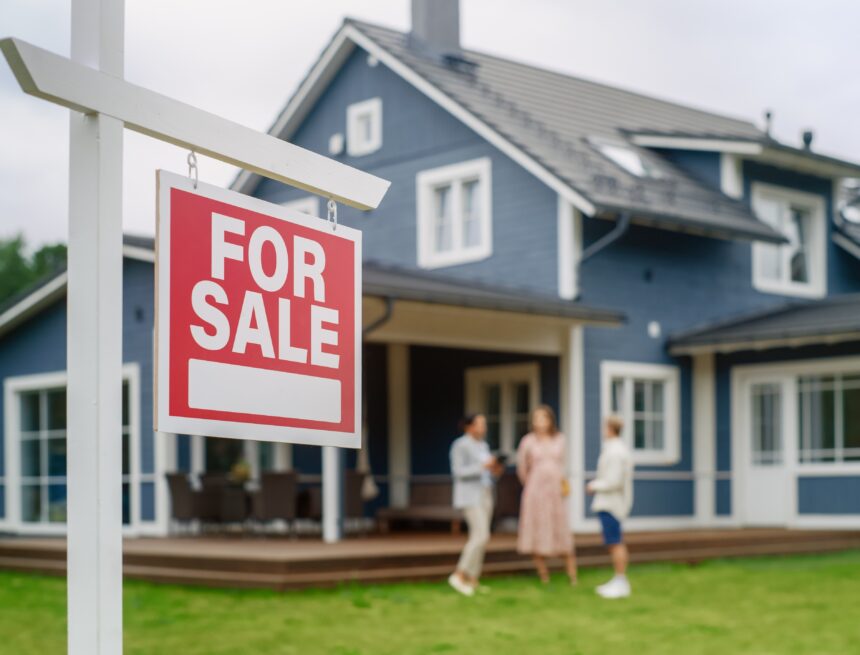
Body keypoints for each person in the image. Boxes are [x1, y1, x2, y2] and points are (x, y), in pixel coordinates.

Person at [516, 405, 577, 585]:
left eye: (543, 418)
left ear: (550, 420)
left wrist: (560, 482)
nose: (539, 422)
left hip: (555, 491)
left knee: (560, 528)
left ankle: (572, 576)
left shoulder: (560, 439)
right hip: (536, 490)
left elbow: (563, 464)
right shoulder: (528, 441)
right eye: (536, 418)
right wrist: (532, 484)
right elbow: (522, 468)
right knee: (538, 527)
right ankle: (544, 576)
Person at [448, 413, 502, 597]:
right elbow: (458, 471)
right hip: (469, 496)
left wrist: (494, 469)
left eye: (484, 424)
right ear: (469, 426)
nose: (483, 428)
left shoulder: (483, 446)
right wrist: (483, 467)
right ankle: (459, 574)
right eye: (480, 424)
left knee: (482, 537)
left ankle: (472, 578)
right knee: (480, 535)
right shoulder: (460, 445)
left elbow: (488, 471)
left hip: (485, 493)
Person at [586, 415, 634, 599]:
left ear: (610, 428)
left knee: (615, 542)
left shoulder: (615, 452)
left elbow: (614, 481)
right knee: (614, 542)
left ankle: (621, 580)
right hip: (612, 503)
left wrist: (594, 485)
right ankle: (619, 579)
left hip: (612, 503)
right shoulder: (616, 449)